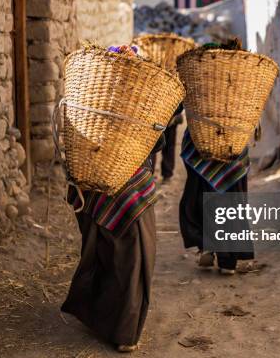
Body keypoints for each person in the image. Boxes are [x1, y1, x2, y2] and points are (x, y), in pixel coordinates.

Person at [61, 44, 166, 353]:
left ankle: (105, 318)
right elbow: (157, 142)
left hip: (95, 188)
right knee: (133, 259)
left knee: (105, 255)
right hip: (130, 189)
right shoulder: (140, 101)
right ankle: (124, 331)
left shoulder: (89, 98)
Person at [178, 129, 254, 274]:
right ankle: (228, 260)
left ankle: (206, 244)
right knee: (233, 197)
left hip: (201, 140)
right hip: (235, 140)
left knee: (201, 191)